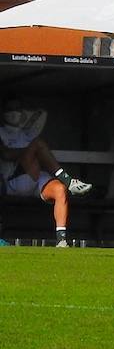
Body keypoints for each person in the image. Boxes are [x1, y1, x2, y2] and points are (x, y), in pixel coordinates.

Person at [0, 98, 91, 246]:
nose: (14, 113)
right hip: (13, 181)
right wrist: (28, 152)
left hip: (34, 177)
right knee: (38, 144)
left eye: (17, 109)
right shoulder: (1, 132)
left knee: (60, 190)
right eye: (10, 109)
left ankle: (61, 240)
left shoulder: (27, 134)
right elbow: (6, 155)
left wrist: (32, 153)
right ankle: (69, 181)